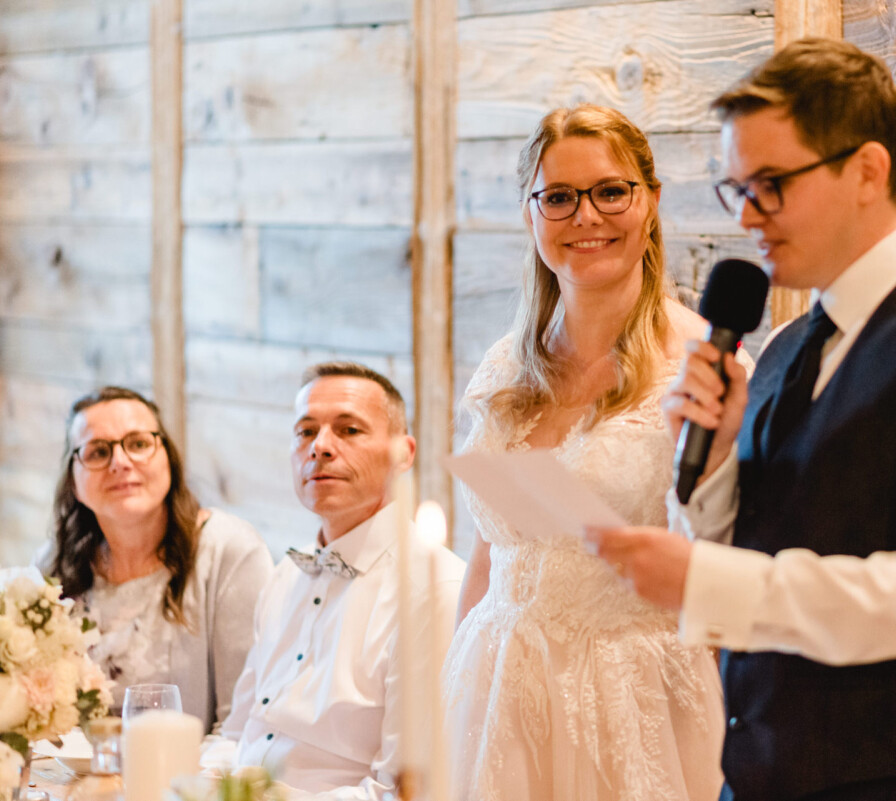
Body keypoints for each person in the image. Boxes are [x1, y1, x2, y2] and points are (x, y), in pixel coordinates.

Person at [587, 38, 896, 801]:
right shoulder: (786, 342)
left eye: (769, 184)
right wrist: (709, 468)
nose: (746, 217)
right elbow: (763, 536)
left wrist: (720, 581)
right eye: (734, 189)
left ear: (868, 170)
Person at [444, 104, 734, 801]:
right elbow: (490, 550)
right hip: (498, 691)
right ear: (530, 213)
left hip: (633, 696)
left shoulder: (701, 367)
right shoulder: (503, 367)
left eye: (611, 191)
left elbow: (730, 556)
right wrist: (453, 687)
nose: (587, 217)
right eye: (560, 197)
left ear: (651, 201)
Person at [210, 362, 464, 799]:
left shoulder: (435, 590)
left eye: (349, 430)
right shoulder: (285, 573)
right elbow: (237, 734)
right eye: (306, 432)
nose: (321, 447)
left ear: (403, 453)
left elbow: (400, 791)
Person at [39, 386, 273, 733]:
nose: (120, 463)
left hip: (190, 781)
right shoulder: (55, 563)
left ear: (169, 458)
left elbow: (243, 726)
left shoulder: (230, 552)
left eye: (138, 444)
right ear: (73, 479)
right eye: (98, 451)